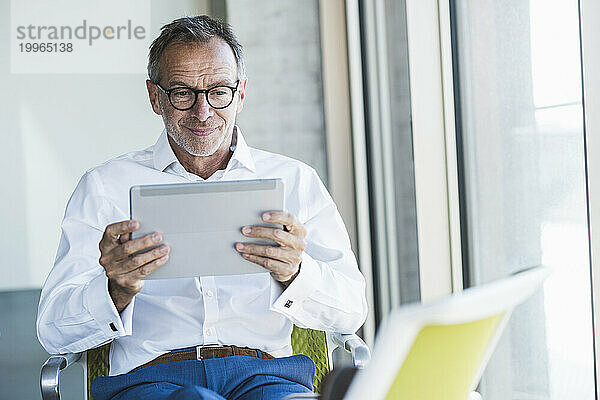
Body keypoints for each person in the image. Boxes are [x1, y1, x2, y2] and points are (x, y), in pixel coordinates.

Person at [36, 15, 367, 400]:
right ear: (155, 97)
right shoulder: (105, 187)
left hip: (267, 378)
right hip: (151, 381)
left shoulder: (296, 181)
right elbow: (53, 331)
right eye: (182, 92)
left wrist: (297, 272)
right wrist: (115, 289)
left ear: (240, 93)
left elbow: (350, 312)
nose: (203, 111)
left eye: (219, 91)